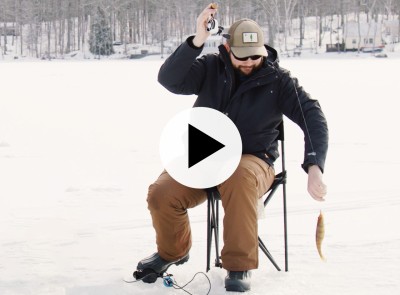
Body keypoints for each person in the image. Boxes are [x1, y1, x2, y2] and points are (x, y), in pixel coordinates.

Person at [134, 4, 328, 292]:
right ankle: (172, 252)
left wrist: (314, 166)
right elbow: (169, 80)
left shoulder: (279, 80)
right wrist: (197, 40)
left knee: (238, 177)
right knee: (162, 193)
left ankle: (239, 266)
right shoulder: (210, 67)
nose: (250, 62)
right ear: (227, 49)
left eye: (255, 56)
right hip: (203, 157)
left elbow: (313, 116)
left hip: (253, 160)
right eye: (242, 56)